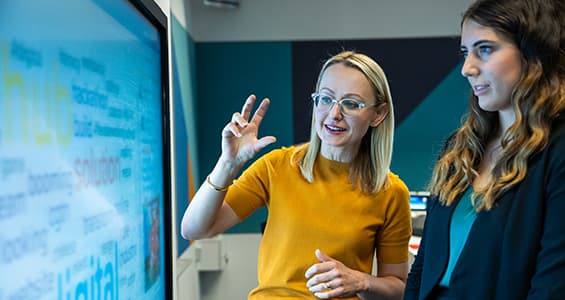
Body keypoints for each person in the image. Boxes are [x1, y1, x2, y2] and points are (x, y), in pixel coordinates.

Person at [181, 51, 412, 299]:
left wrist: (362, 281)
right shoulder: (277, 166)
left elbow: (398, 288)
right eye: (325, 99)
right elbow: (194, 230)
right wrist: (228, 164)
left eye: (351, 104)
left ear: (378, 114)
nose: (334, 114)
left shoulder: (391, 192)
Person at [404, 0, 565, 299]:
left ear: (533, 52)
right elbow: (422, 268)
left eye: (485, 49)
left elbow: (553, 284)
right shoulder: (459, 147)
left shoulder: (556, 151)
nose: (467, 68)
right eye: (466, 52)